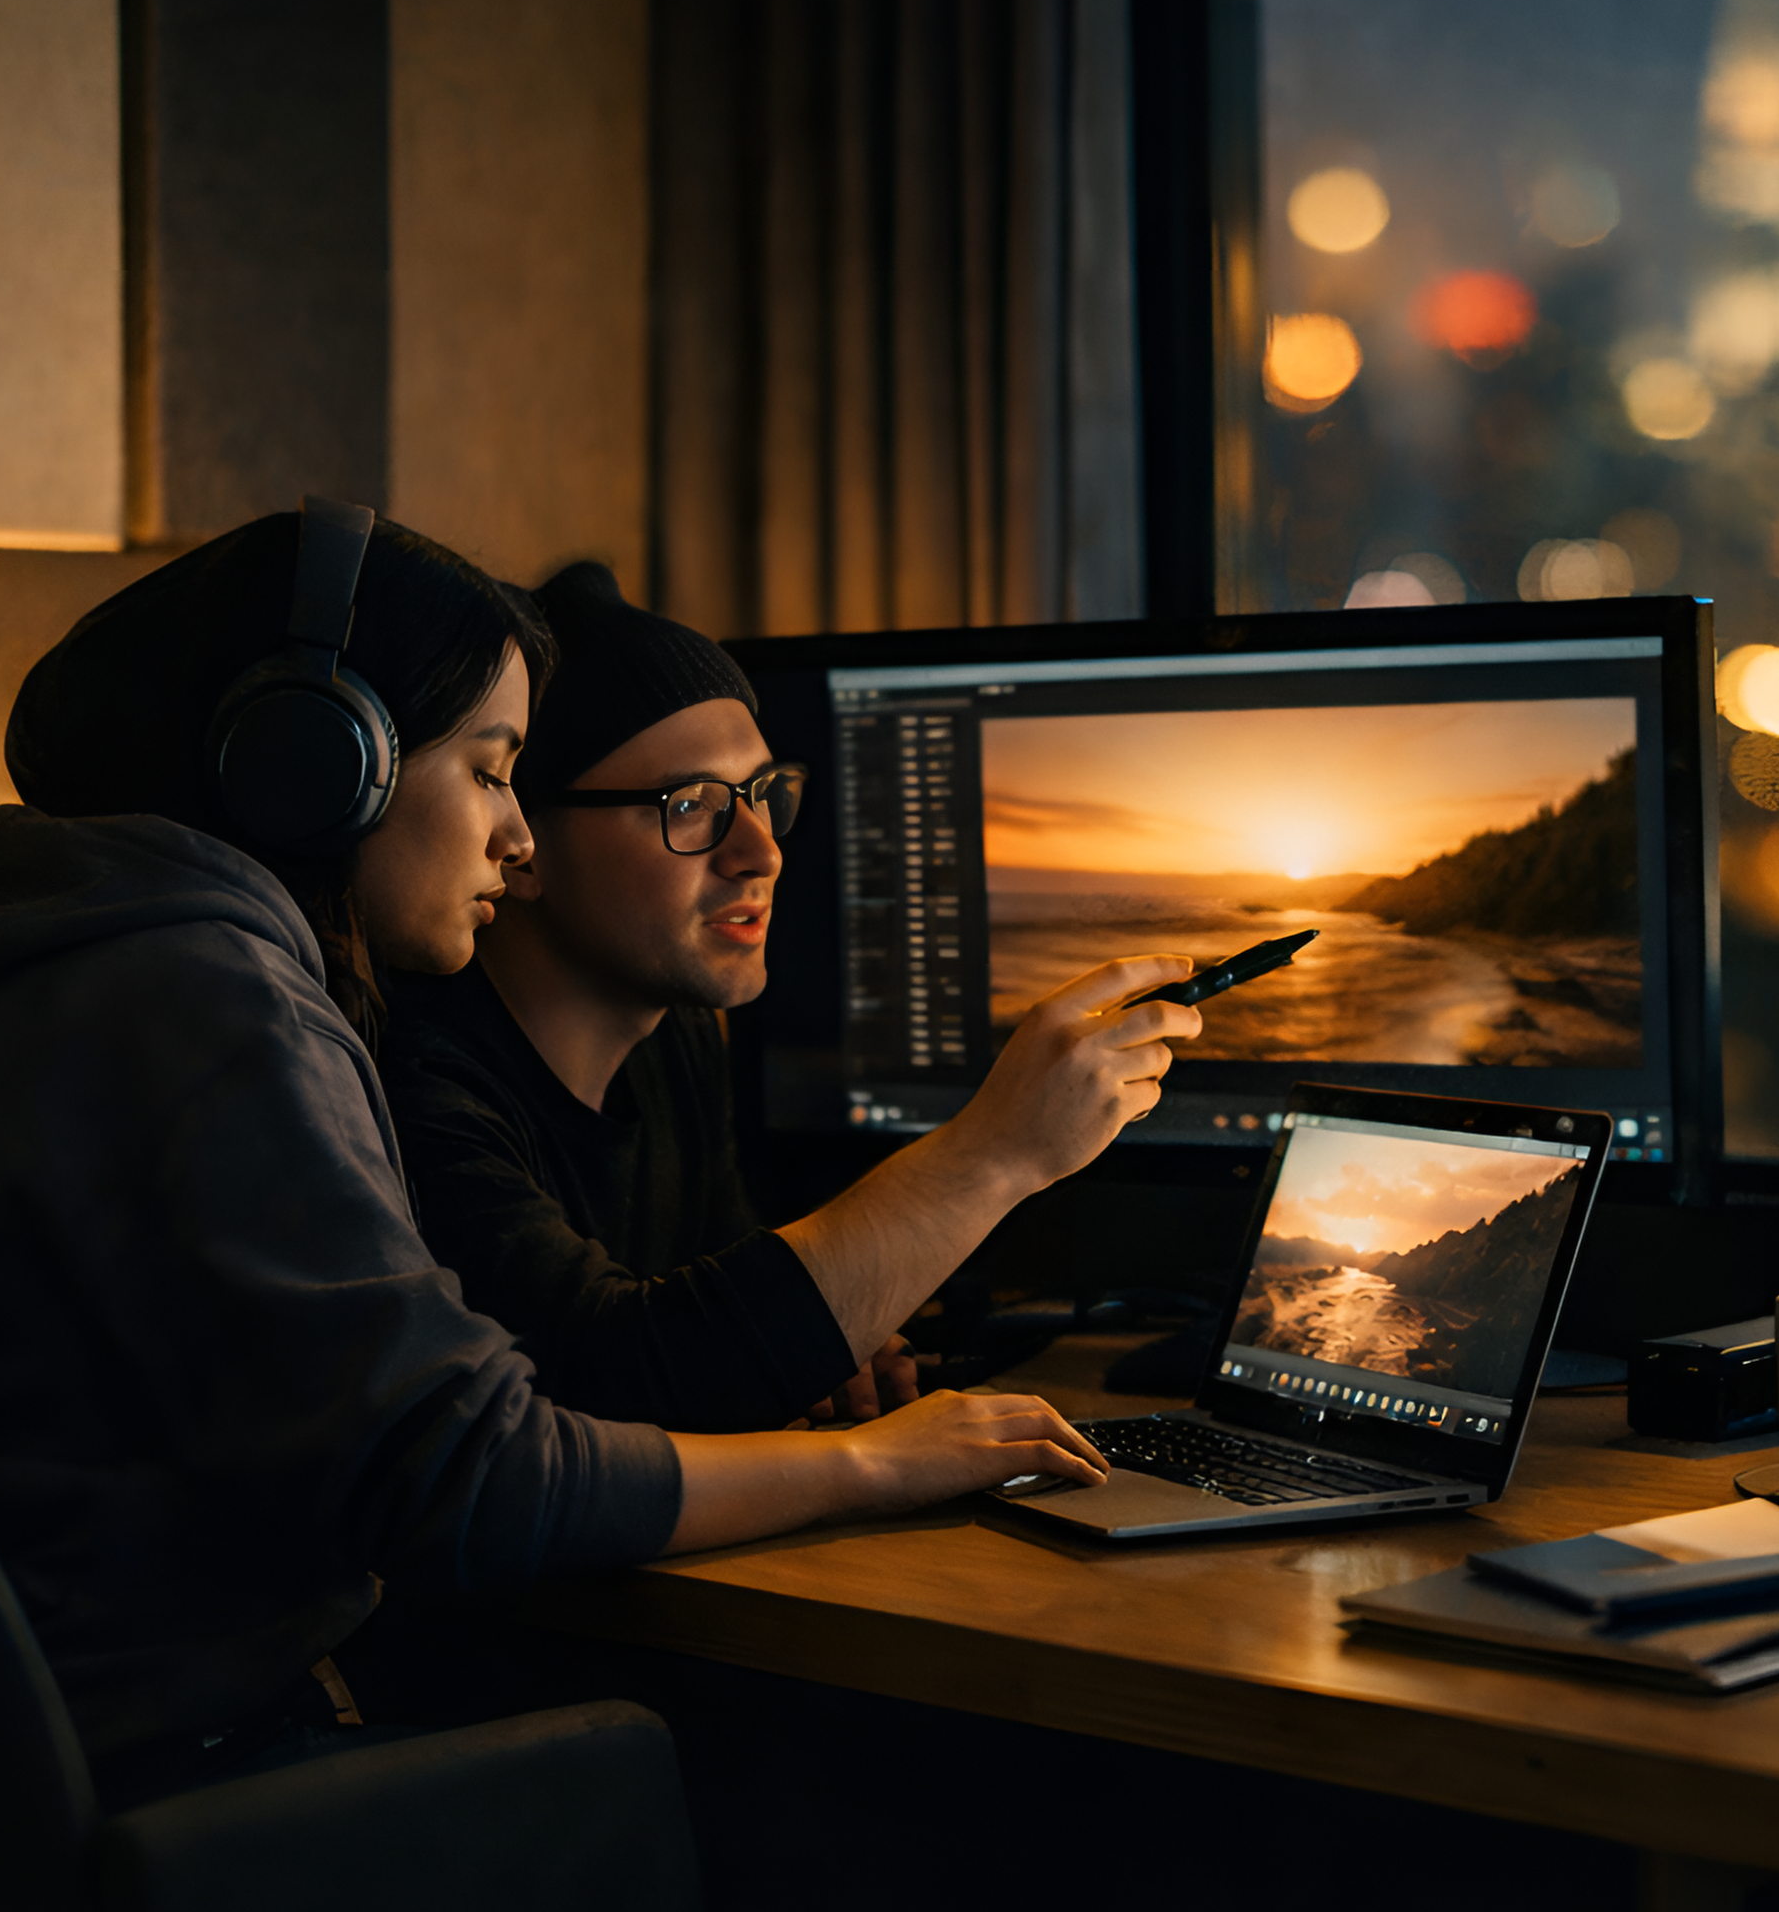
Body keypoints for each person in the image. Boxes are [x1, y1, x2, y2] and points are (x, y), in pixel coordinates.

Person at [0, 508, 1123, 1807]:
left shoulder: (5, 949)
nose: (512, 829)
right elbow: (474, 1482)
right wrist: (875, 1467)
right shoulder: (203, 996)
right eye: (493, 770)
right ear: (321, 768)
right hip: (128, 1802)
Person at [378, 562, 1202, 1432]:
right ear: (524, 842)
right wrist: (994, 1153)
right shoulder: (413, 1084)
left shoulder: (675, 1033)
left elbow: (719, 1291)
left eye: (763, 794)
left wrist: (834, 1336)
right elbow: (617, 1375)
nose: (761, 851)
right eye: (692, 804)